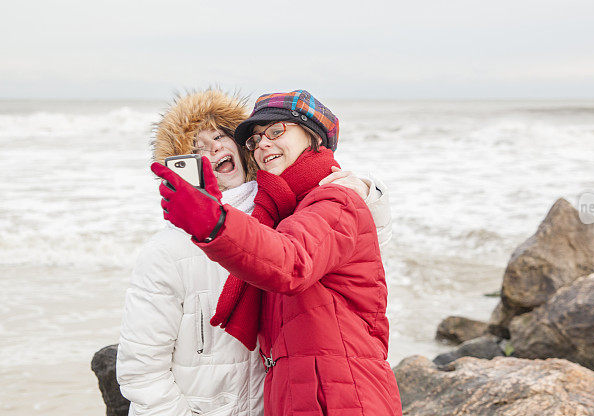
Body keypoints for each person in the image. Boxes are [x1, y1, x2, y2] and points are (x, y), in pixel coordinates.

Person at [117, 89, 392, 416]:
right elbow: (142, 369)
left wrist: (366, 193)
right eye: (197, 148)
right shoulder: (168, 249)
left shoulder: (289, 215)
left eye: (220, 135)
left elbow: (350, 247)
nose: (214, 147)